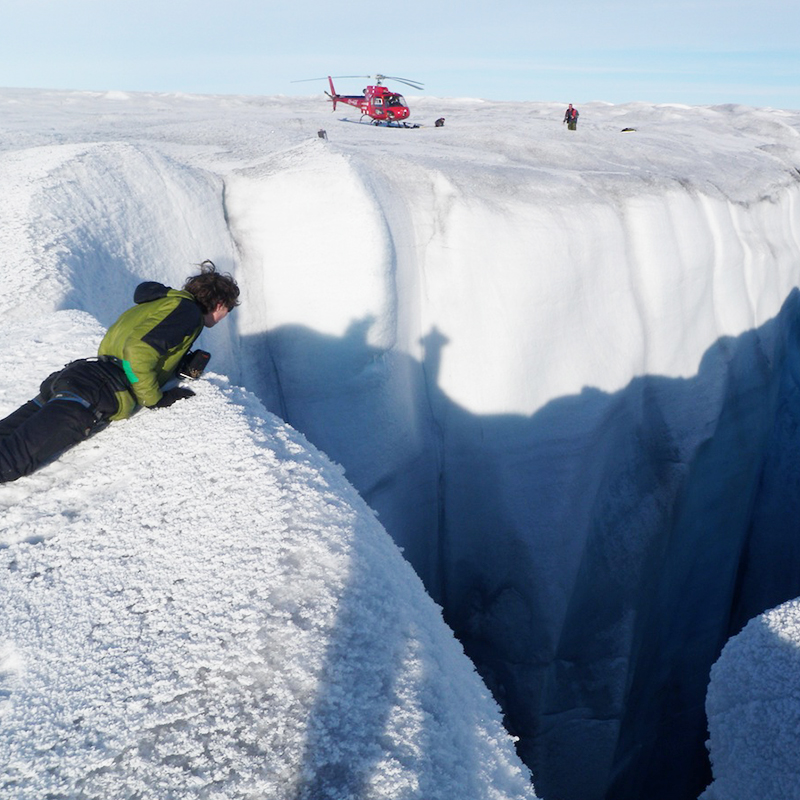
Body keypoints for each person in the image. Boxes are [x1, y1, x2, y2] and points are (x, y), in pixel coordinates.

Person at [0, 260, 240, 483]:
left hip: (77, 378)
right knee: (9, 462)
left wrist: (174, 367)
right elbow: (136, 352)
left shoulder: (161, 303)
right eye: (227, 310)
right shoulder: (189, 314)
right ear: (220, 304)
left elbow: (132, 346)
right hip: (91, 394)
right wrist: (155, 399)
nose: (224, 317)